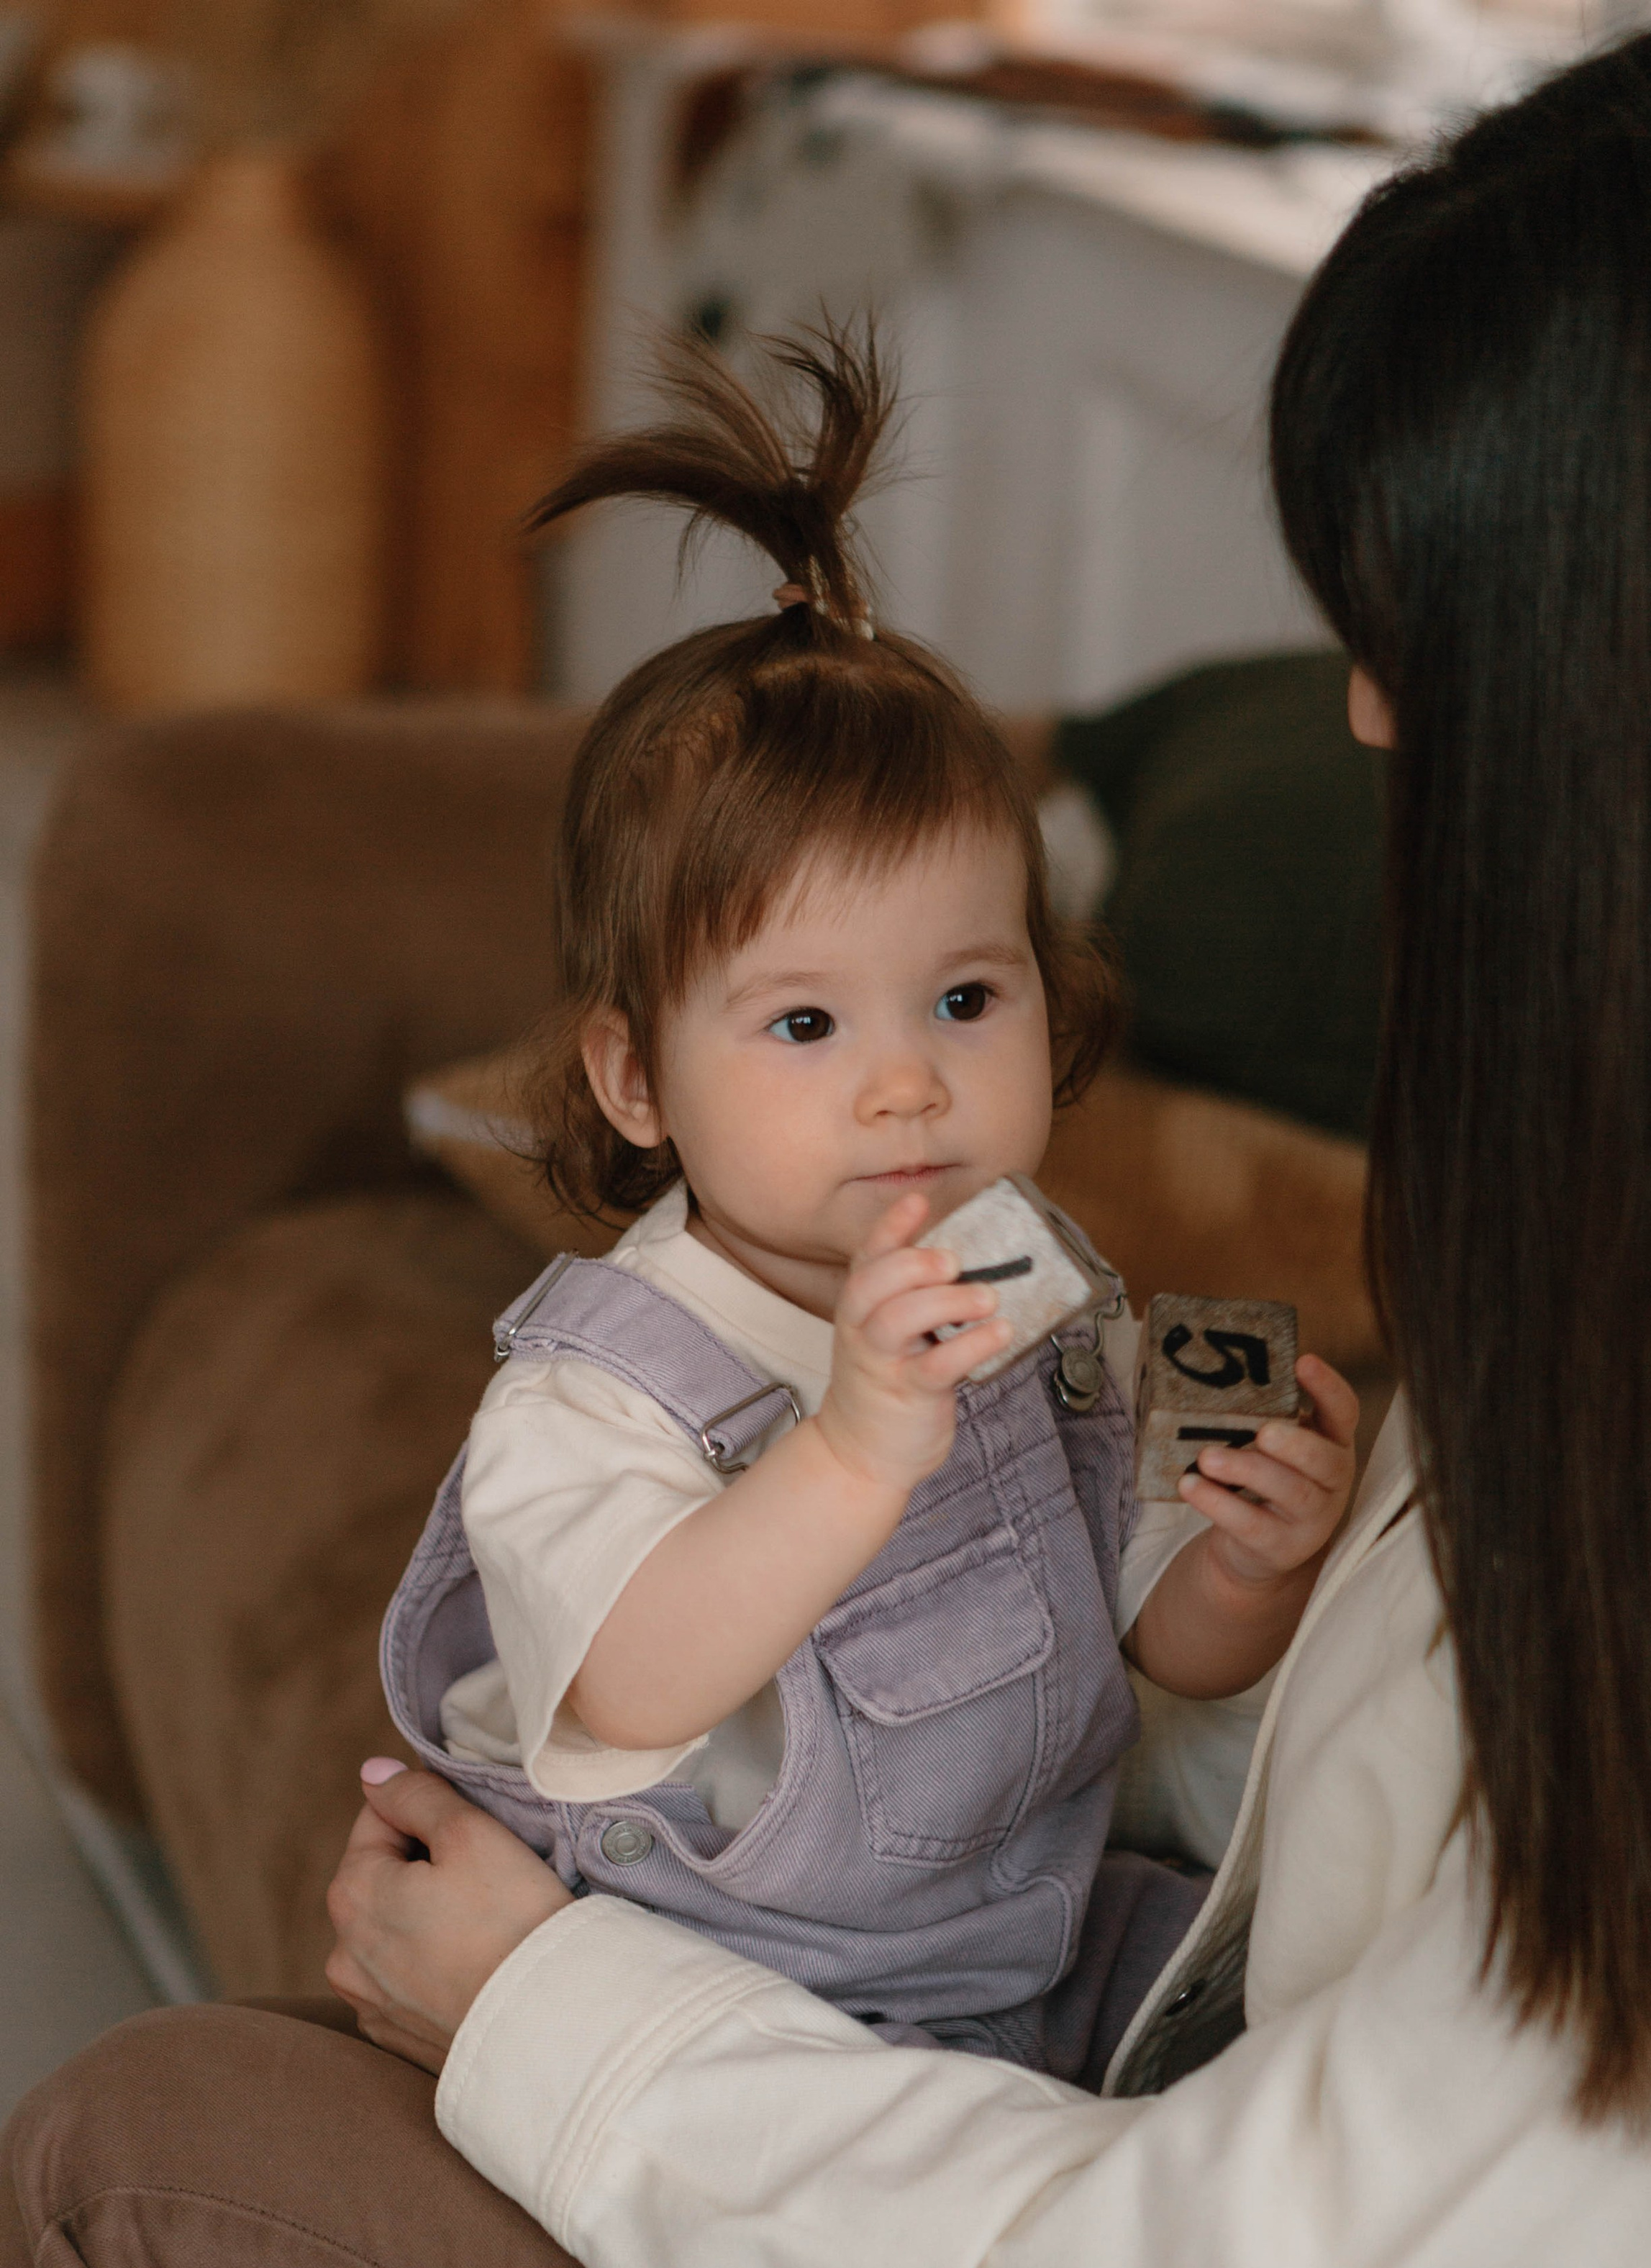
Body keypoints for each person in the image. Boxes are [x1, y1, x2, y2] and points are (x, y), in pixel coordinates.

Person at [6, 4, 1651, 2268]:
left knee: (146, 2194)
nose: (1359, 718)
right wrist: (1245, 1608)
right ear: (623, 1079)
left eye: (1424, 643)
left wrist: (556, 2025)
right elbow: (1269, 1812)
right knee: (256, 2140)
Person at [381, 327, 1357, 2081]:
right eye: (806, 1023)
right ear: (631, 1081)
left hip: (1016, 1933)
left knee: (1287, 2010)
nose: (905, 1082)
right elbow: (628, 1685)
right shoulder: (605, 1385)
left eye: (965, 1000)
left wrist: (1247, 1564)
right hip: (721, 1987)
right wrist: (849, 1447)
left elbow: (1141, 1619)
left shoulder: (1039, 1278)